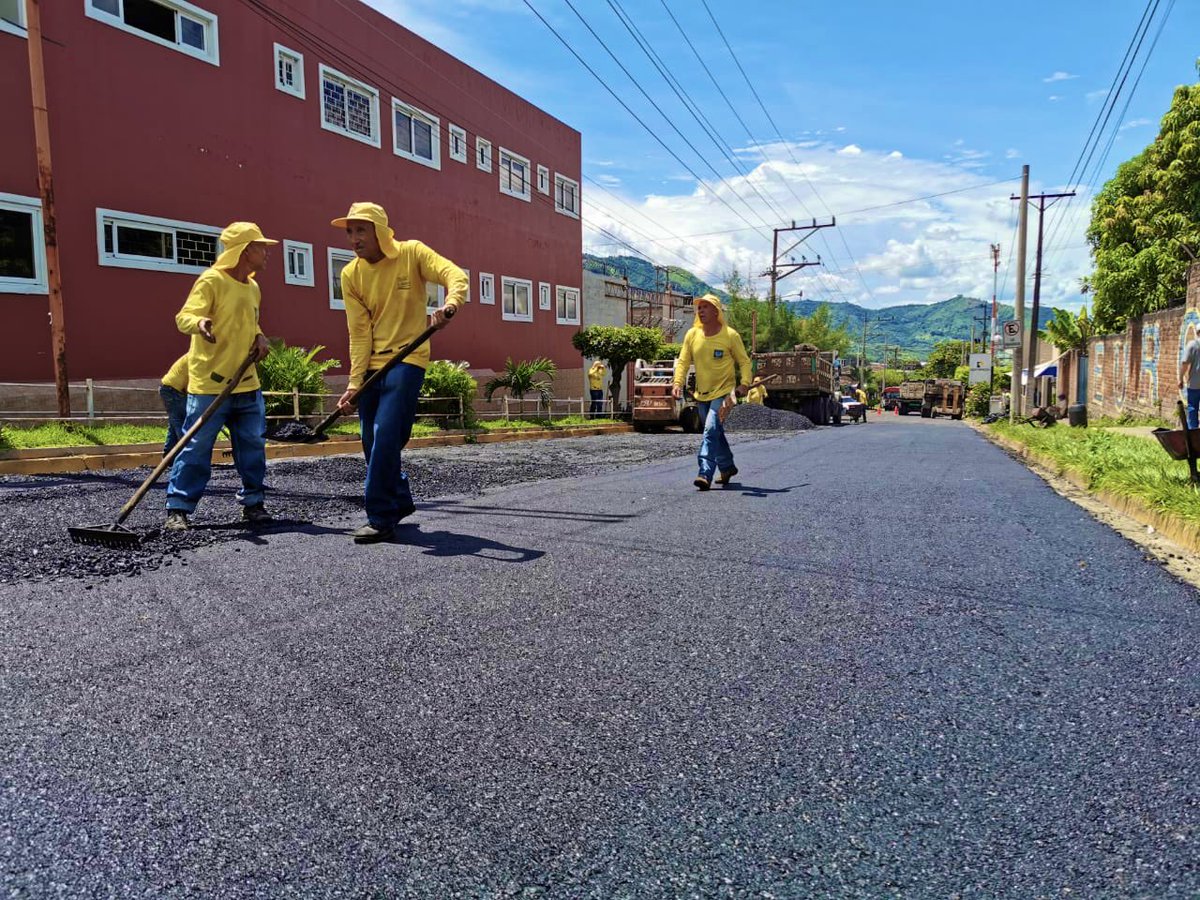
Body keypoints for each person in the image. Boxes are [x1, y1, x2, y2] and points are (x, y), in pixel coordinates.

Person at [332, 202, 467, 544]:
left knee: (386, 436)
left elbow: (454, 274)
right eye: (349, 232)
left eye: (360, 230)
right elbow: (358, 332)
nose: (354, 239)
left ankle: (380, 516)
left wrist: (450, 304)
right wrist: (354, 383)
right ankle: (400, 499)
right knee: (370, 441)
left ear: (379, 230)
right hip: (372, 368)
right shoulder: (351, 274)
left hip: (408, 360)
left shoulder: (411, 253)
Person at [164, 222, 276, 531]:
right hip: (210, 385)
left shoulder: (253, 287)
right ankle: (178, 508)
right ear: (245, 251)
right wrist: (199, 323)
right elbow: (184, 317)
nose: (266, 252)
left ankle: (254, 503)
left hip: (246, 383)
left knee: (252, 446)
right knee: (196, 446)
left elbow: (249, 323)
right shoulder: (211, 280)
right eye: (261, 247)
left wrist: (260, 336)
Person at [672, 294, 751, 490]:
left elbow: (744, 362)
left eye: (705, 307)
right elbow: (683, 362)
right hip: (702, 394)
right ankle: (727, 467)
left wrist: (745, 383)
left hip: (725, 392)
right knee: (715, 431)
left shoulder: (730, 335)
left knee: (709, 429)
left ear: (716, 311)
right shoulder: (692, 335)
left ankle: (705, 473)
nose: (700, 310)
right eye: (699, 307)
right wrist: (677, 382)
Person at [159, 353, 188, 457]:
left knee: (174, 423)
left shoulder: (192, 356)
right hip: (172, 390)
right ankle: (186, 453)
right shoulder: (196, 359)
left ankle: (168, 457)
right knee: (181, 421)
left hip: (169, 388)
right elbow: (193, 385)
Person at [1179, 335, 1200, 428]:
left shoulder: (1192, 345)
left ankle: (1193, 432)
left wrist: (1180, 379)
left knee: (1192, 410)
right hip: (1194, 385)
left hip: (1194, 385)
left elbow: (1185, 363)